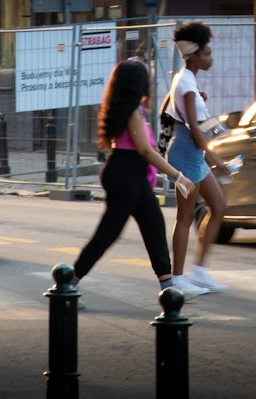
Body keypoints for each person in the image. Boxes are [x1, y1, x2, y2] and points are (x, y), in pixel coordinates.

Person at [73, 60, 198, 301]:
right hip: (126, 174)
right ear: (137, 83)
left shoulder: (132, 109)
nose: (150, 82)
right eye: (147, 78)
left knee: (154, 226)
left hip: (132, 175)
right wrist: (178, 176)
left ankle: (168, 286)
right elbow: (145, 150)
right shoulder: (131, 112)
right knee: (108, 233)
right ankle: (70, 281)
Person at [166, 21, 231, 295]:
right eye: (206, 54)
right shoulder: (187, 84)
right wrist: (217, 160)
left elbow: (184, 114)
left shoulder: (187, 80)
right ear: (192, 55)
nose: (210, 58)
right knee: (184, 218)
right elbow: (194, 130)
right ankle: (177, 278)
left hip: (192, 156)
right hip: (186, 156)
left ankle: (200, 272)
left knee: (218, 207)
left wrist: (197, 99)